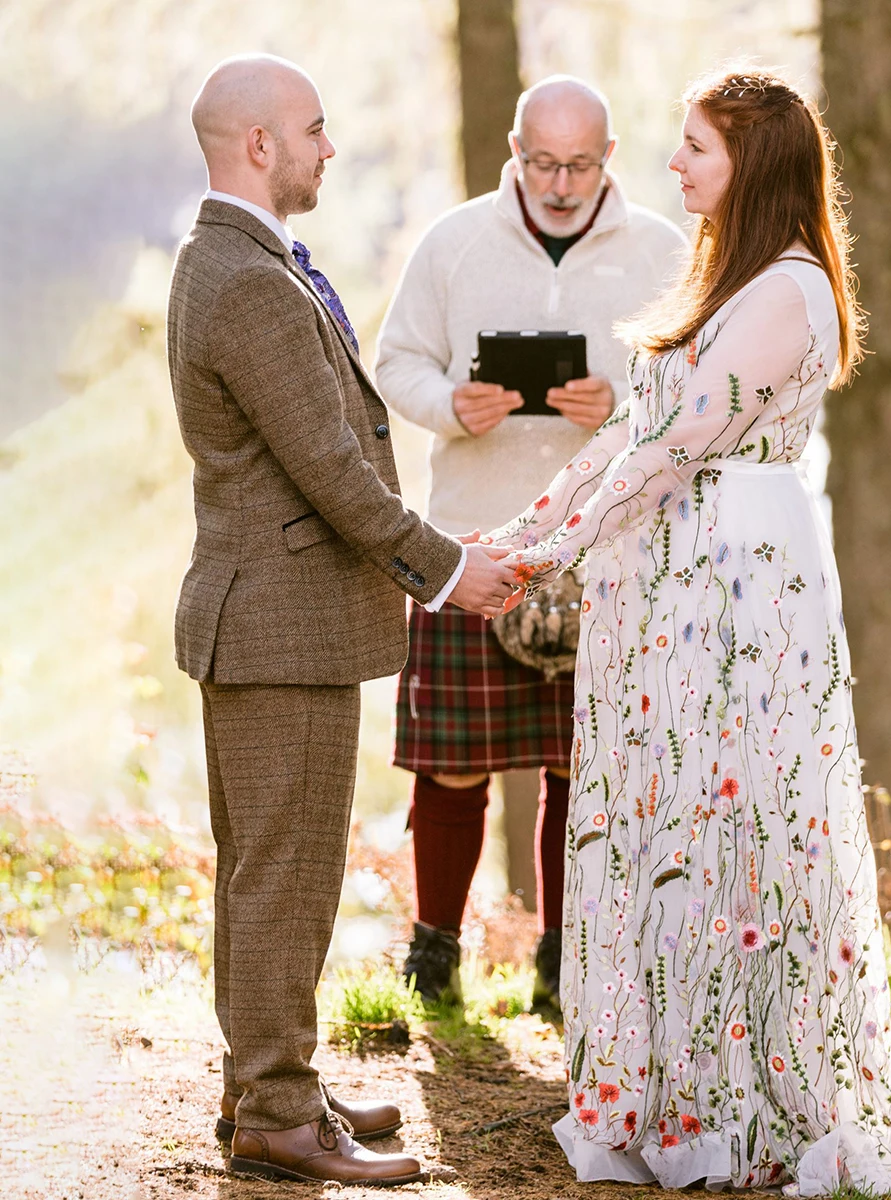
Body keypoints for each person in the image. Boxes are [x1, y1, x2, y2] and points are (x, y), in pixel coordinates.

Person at [483, 68, 891, 1195]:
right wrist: (520, 534)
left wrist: (549, 558)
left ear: (751, 166)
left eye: (695, 150)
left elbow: (672, 456)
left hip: (734, 580)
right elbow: (630, 438)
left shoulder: (789, 294)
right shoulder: (731, 281)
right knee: (671, 818)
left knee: (739, 819)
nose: (673, 167)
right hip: (671, 573)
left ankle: (749, 1098)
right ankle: (672, 1083)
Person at [167, 54, 514, 1185]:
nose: (330, 147)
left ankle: (269, 1086)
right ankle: (273, 1114)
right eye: (314, 129)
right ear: (259, 145)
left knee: (268, 873)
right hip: (281, 628)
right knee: (285, 879)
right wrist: (447, 569)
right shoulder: (249, 281)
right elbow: (331, 469)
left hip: (272, 621)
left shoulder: (230, 258)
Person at [375, 75, 686, 1014]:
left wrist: (623, 407)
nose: (558, 183)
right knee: (453, 761)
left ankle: (564, 961)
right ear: (515, 150)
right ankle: (435, 955)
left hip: (604, 548)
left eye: (579, 164)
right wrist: (450, 407)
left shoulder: (665, 253)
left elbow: (696, 400)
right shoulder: (454, 241)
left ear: (610, 157)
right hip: (471, 538)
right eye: (541, 161)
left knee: (579, 762)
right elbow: (395, 363)